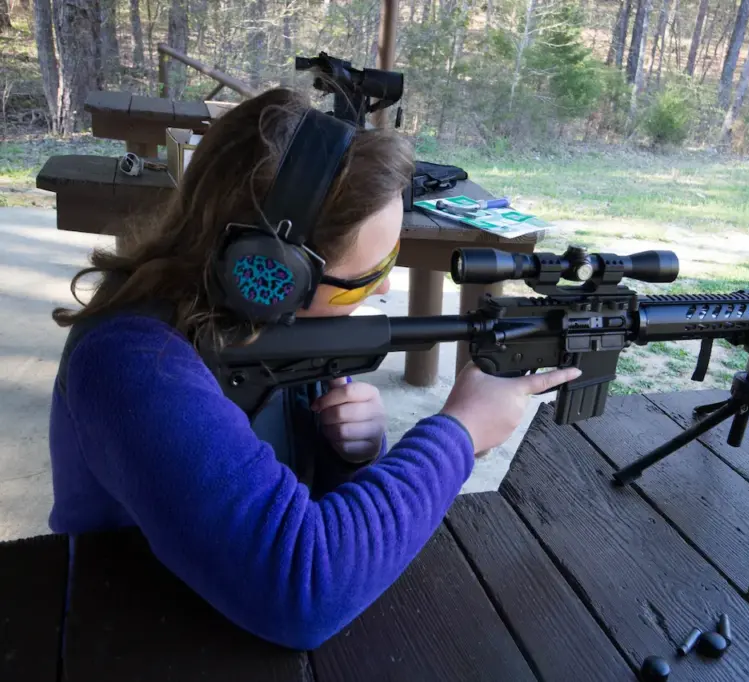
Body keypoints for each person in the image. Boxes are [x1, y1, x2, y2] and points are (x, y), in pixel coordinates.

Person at [48, 88, 580, 650]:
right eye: (369, 277)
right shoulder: (131, 362)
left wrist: (343, 454)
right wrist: (458, 433)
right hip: (127, 638)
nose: (383, 289)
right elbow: (300, 590)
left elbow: (289, 497)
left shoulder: (255, 325)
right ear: (271, 272)